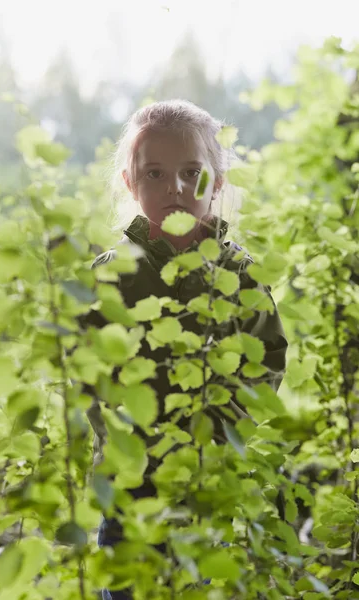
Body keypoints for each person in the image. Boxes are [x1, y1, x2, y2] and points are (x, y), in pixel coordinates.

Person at [79, 99, 288, 599]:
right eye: (155, 173)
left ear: (216, 182)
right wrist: (135, 443)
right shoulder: (109, 276)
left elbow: (265, 367)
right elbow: (87, 373)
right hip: (129, 490)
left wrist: (212, 439)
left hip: (208, 486)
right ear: (131, 184)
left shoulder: (239, 275)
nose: (174, 187)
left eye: (191, 172)